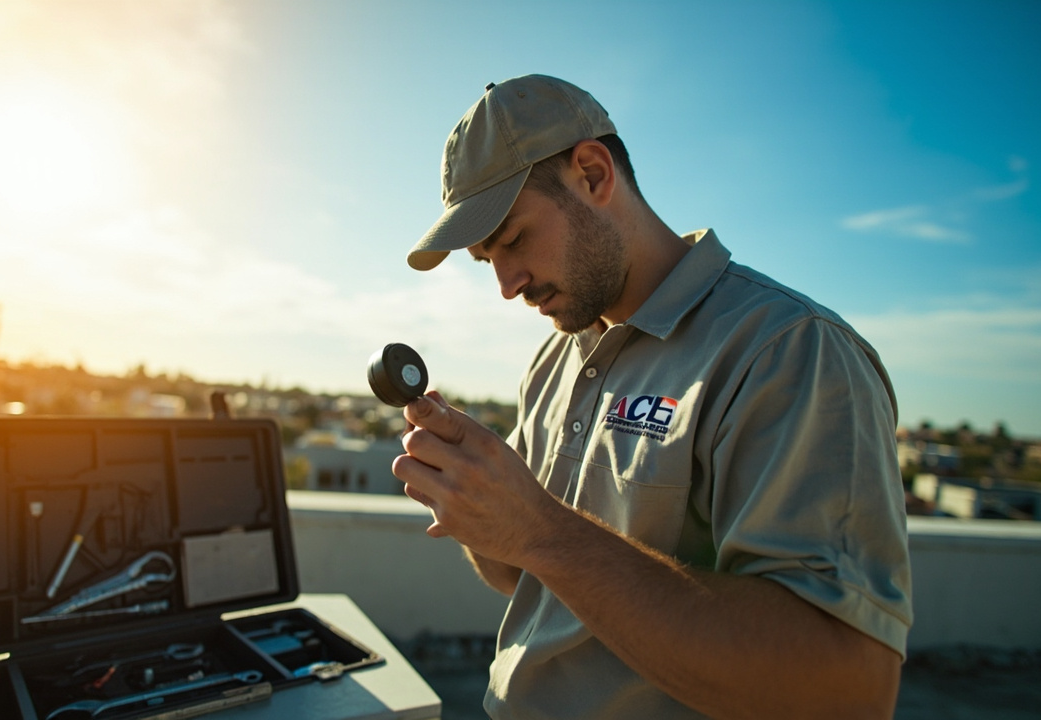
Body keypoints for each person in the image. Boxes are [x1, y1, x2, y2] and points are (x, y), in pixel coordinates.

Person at [391, 74, 913, 719]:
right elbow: (519, 577)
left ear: (592, 173)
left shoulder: (788, 351)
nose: (507, 284)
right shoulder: (557, 357)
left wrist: (542, 530)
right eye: (485, 259)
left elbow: (846, 691)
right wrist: (475, 501)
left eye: (515, 239)